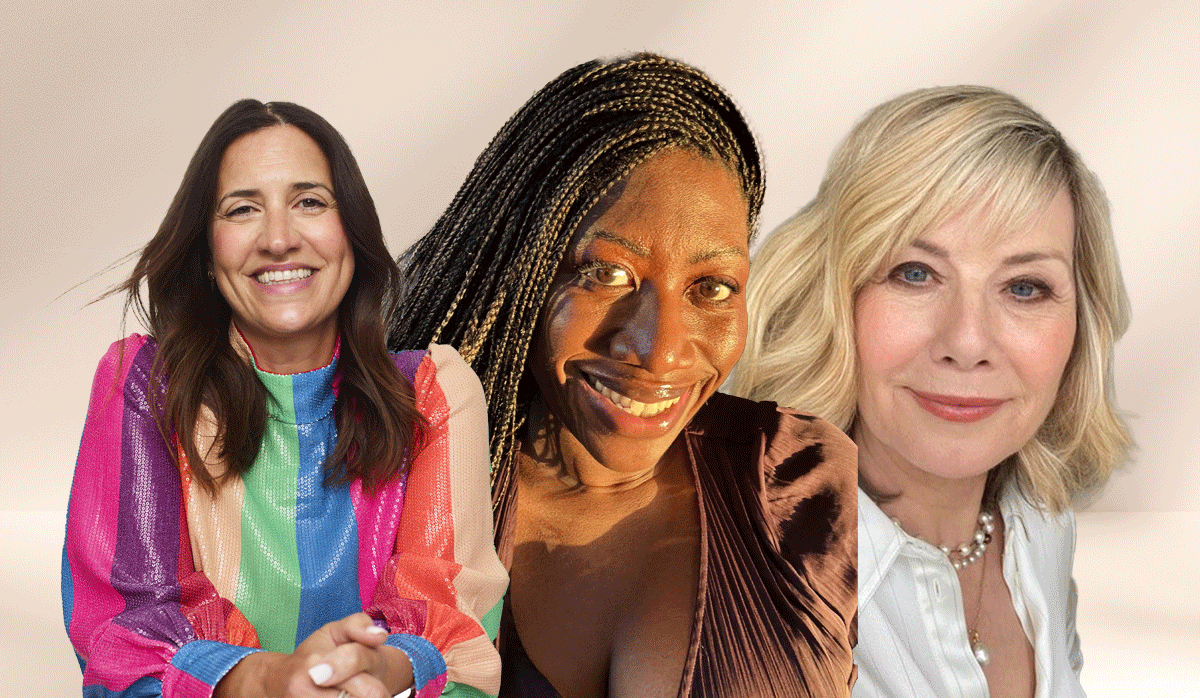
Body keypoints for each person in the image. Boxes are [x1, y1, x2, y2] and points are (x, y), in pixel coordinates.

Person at [387, 53, 857, 698]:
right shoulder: (388, 481)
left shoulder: (800, 485)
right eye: (607, 273)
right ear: (522, 264)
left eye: (712, 286)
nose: (660, 351)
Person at [62, 100, 507, 698]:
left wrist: (383, 669)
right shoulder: (143, 385)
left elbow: (458, 636)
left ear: (352, 227)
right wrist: (271, 680)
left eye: (310, 202)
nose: (277, 239)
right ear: (207, 245)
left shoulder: (434, 393)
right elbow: (120, 643)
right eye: (243, 209)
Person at [731, 86, 1132, 698]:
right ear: (835, 300)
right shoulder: (749, 585)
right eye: (914, 274)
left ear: (1083, 326)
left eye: (1025, 287)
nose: (967, 341)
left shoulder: (1041, 526)